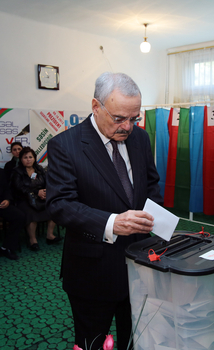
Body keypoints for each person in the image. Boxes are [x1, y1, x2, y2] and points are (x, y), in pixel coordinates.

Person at [46, 72, 163, 350]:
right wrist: (111, 223)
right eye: (119, 118)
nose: (128, 127)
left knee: (137, 336)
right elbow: (60, 204)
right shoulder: (65, 145)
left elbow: (152, 185)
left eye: (134, 118)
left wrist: (156, 220)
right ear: (96, 107)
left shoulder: (140, 139)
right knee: (92, 342)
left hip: (141, 264)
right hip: (92, 270)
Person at [11, 147, 59, 251]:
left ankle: (50, 235)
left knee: (53, 207)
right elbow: (19, 188)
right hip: (24, 199)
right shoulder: (17, 171)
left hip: (40, 197)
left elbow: (48, 182)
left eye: (30, 157)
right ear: (21, 159)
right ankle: (33, 240)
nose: (28, 159)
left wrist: (46, 192)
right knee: (30, 213)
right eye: (25, 157)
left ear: (34, 158)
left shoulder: (39, 169)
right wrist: (36, 192)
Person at [0, 168, 25, 260]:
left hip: (1, 204)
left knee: (19, 217)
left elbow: (6, 189)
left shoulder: (1, 171)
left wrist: (7, 200)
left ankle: (7, 247)